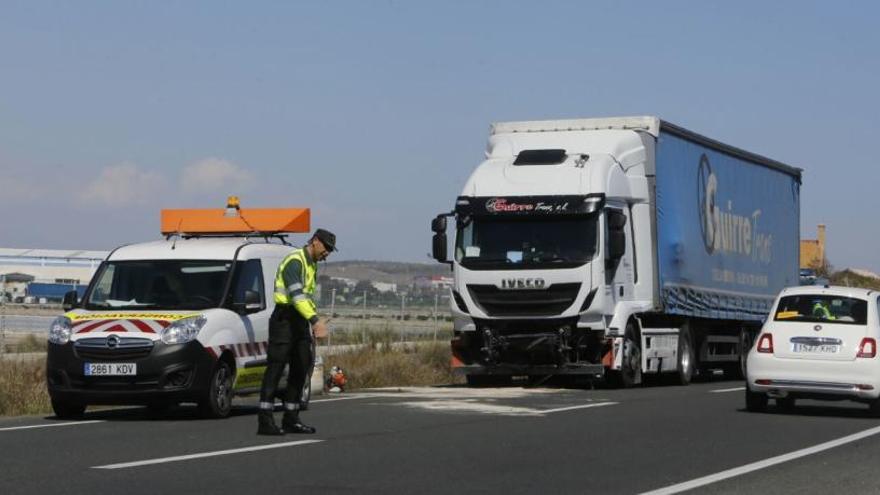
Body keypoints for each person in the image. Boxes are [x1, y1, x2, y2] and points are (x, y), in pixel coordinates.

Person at [257, 228, 336, 435]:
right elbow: (296, 295)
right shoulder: (295, 261)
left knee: (301, 366)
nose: (327, 253)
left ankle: (291, 418)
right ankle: (265, 420)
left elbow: (307, 298)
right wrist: (315, 321)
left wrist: (312, 318)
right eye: (326, 248)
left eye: (330, 250)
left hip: (299, 321)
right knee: (276, 366)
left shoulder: (311, 264)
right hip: (284, 319)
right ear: (315, 241)